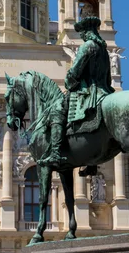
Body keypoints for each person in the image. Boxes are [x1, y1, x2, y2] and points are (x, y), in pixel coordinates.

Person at [38, 16, 114, 170]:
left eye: (83, 32)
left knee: (57, 112)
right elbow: (108, 76)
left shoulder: (87, 47)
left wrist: (69, 80)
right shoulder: (103, 49)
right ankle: (92, 161)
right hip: (105, 90)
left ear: (88, 32)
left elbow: (75, 71)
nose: (82, 36)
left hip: (89, 92)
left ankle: (55, 153)